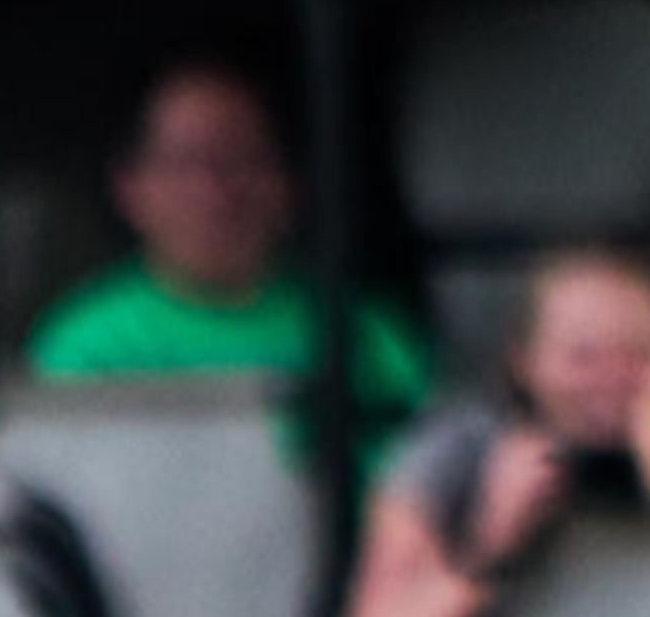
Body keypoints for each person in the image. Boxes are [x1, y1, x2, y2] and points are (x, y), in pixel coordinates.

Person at [333, 248, 650, 617]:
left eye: (638, 355)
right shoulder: (459, 459)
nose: (612, 381)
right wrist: (489, 549)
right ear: (523, 363)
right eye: (583, 356)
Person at [26, 56, 428, 452]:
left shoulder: (366, 332)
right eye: (185, 163)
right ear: (129, 187)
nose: (216, 193)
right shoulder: (86, 348)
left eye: (243, 159)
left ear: (289, 183)